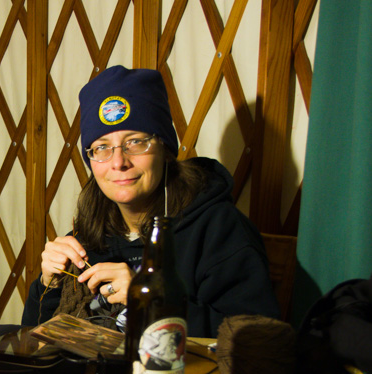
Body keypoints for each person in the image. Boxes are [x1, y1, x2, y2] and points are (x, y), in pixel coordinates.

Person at [21, 65, 280, 338]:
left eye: (135, 142)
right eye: (102, 148)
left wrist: (152, 303)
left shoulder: (218, 229)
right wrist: (48, 283)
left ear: (164, 149)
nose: (119, 162)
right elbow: (32, 338)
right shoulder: (89, 234)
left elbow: (260, 338)